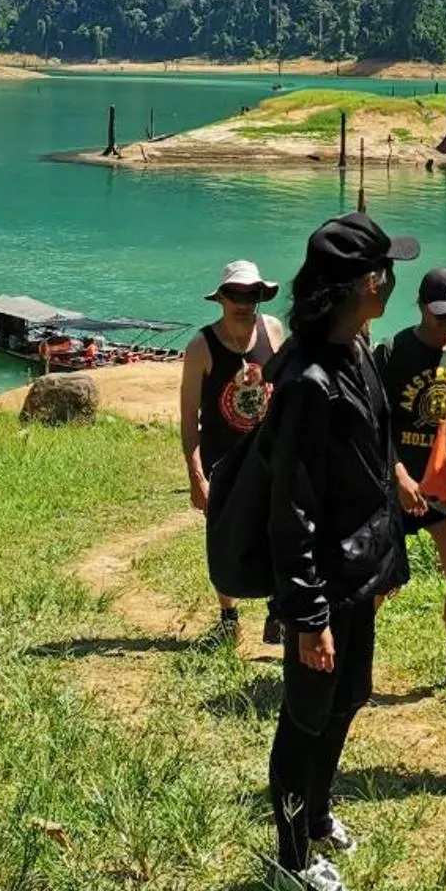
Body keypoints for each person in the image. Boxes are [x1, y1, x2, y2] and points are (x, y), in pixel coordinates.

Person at [266, 214, 417, 891]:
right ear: (367, 283)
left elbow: (372, 472)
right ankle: (290, 857)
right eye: (389, 272)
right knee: (304, 719)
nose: (394, 283)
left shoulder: (357, 353)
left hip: (358, 573)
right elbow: (289, 507)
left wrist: (384, 569)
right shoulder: (306, 381)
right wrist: (305, 615)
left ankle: (318, 813)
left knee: (347, 699)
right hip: (321, 583)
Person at [374, 265, 446, 689]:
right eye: (442, 317)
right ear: (420, 307)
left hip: (442, 488)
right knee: (378, 582)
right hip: (393, 485)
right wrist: (398, 474)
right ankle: (347, 660)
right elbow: (374, 422)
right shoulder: (392, 351)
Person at [181, 259, 286, 646]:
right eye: (236, 295)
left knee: (280, 531)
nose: (244, 303)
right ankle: (229, 617)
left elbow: (288, 387)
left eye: (252, 295)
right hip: (221, 461)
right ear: (221, 298)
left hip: (269, 455)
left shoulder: (273, 331)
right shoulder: (201, 347)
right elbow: (188, 419)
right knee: (222, 540)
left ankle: (279, 611)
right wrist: (196, 477)